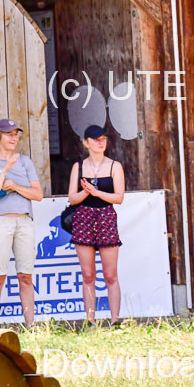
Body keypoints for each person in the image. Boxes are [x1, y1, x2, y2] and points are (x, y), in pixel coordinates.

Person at [0, 119, 43, 328]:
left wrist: (15, 186)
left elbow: (38, 194)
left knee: (25, 275)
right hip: (0, 220)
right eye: (8, 134)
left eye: (16, 134)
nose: (14, 138)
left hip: (24, 219)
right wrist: (5, 168)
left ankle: (30, 325)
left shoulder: (25, 161)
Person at [68, 125, 125, 326]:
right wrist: (86, 192)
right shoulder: (79, 167)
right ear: (86, 143)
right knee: (88, 274)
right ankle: (90, 320)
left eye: (103, 138)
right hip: (83, 218)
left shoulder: (114, 166)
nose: (100, 142)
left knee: (110, 274)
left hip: (106, 217)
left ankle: (115, 320)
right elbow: (72, 198)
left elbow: (119, 197)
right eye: (95, 139)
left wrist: (97, 192)